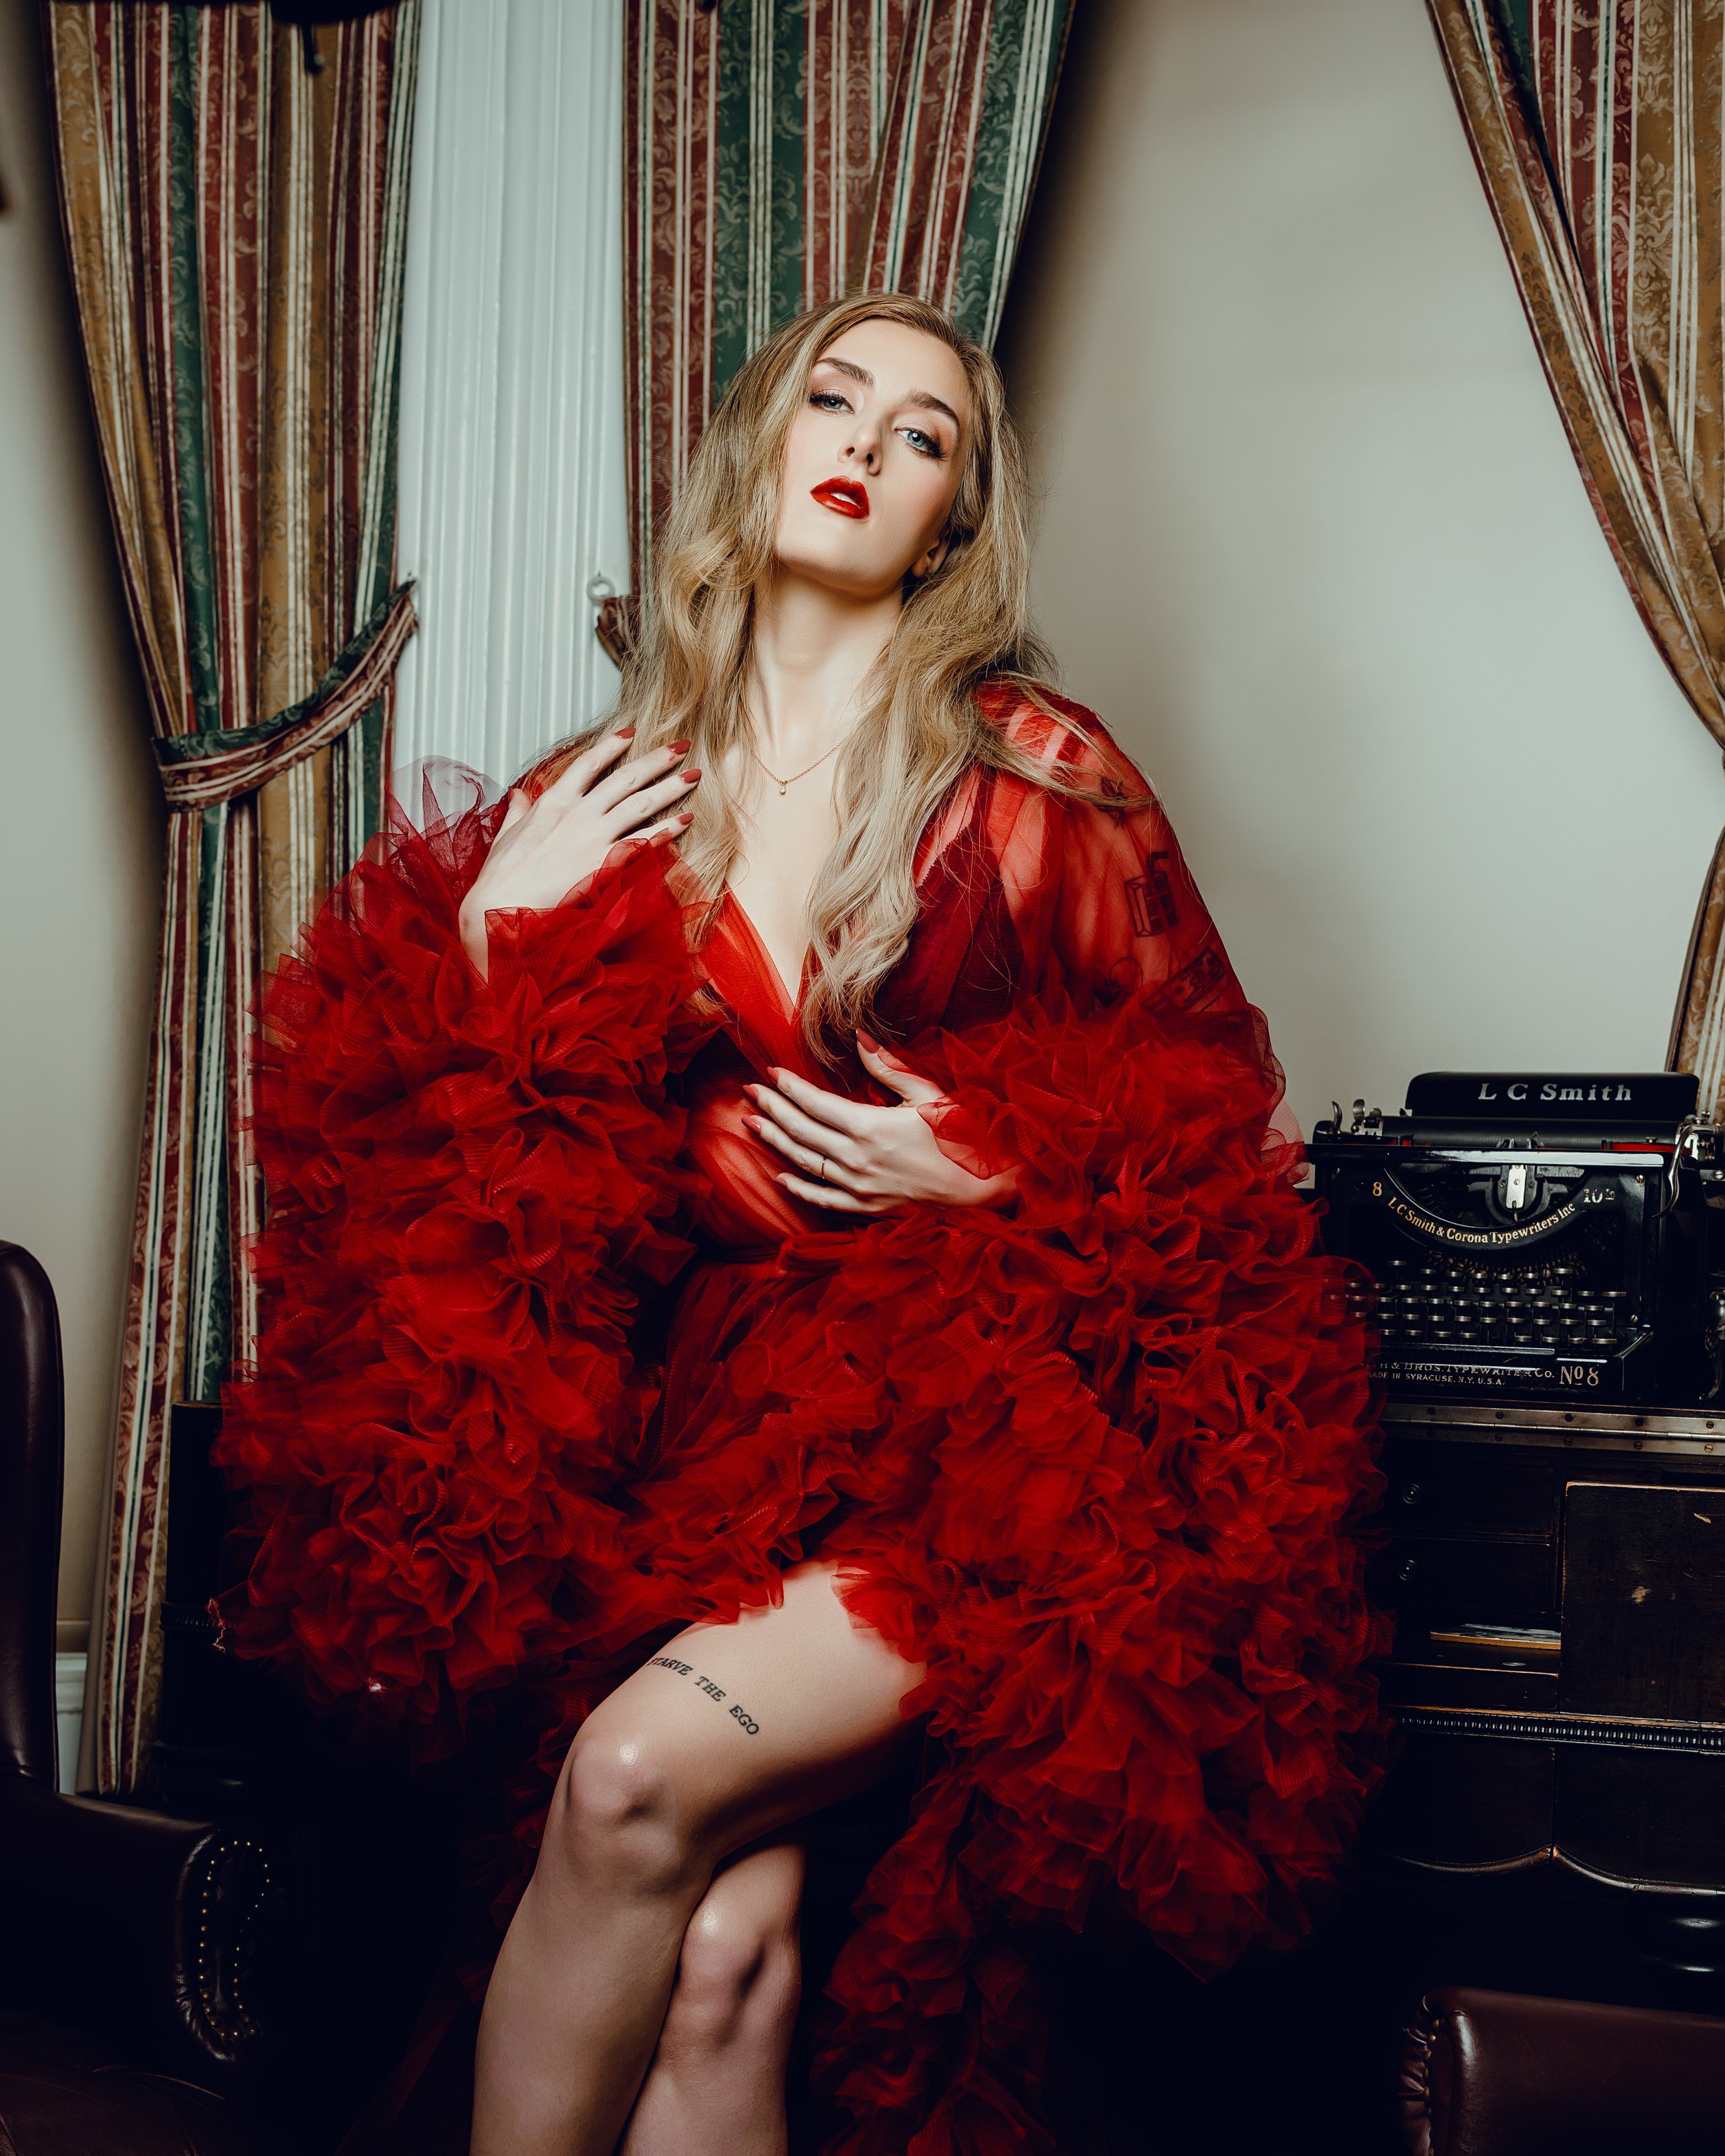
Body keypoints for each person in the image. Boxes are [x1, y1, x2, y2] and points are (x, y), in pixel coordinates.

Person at [217, 292, 1384, 2156]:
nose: (866, 440)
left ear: (950, 523)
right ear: (758, 438)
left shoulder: (1027, 775)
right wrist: (484, 941)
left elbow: (1222, 1131)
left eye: (924, 434)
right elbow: (453, 1189)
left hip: (966, 1441)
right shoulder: (602, 800)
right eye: (833, 397)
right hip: (703, 1443)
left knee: (623, 1783)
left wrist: (995, 1168)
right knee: (718, 1963)